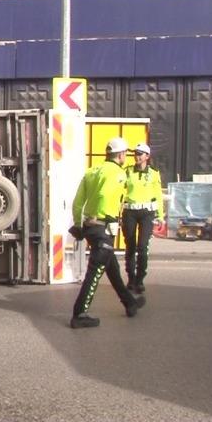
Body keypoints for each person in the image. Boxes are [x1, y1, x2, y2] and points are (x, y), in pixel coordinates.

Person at [69, 137, 145, 329]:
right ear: (120, 155)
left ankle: (130, 303)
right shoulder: (118, 173)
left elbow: (78, 202)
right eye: (125, 154)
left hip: (90, 227)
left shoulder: (92, 171)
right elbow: (105, 194)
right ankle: (79, 314)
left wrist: (79, 223)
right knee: (95, 271)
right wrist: (106, 217)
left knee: (112, 268)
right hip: (103, 227)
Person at [122, 142, 164, 294]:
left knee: (142, 246)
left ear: (147, 156)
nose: (137, 156)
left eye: (140, 154)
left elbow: (158, 195)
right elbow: (120, 191)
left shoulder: (154, 173)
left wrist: (160, 215)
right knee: (130, 246)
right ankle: (131, 278)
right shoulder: (127, 171)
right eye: (136, 154)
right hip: (130, 212)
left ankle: (140, 279)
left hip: (147, 212)